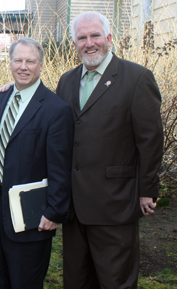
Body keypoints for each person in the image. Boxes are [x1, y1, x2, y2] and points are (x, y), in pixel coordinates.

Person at [55, 12, 163, 288]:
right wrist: (13, 89)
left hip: (116, 203)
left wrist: (147, 190)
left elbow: (150, 140)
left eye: (95, 36)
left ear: (109, 38)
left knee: (116, 281)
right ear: (74, 43)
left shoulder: (137, 78)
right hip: (75, 207)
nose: (89, 43)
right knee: (77, 281)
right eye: (82, 38)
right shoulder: (66, 82)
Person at [0, 37, 74, 289]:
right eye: (18, 60)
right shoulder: (0, 99)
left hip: (30, 213)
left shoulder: (56, 109)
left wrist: (54, 210)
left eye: (30, 61)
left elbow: (61, 166)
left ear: (41, 65)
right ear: (10, 63)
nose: (23, 66)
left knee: (25, 282)